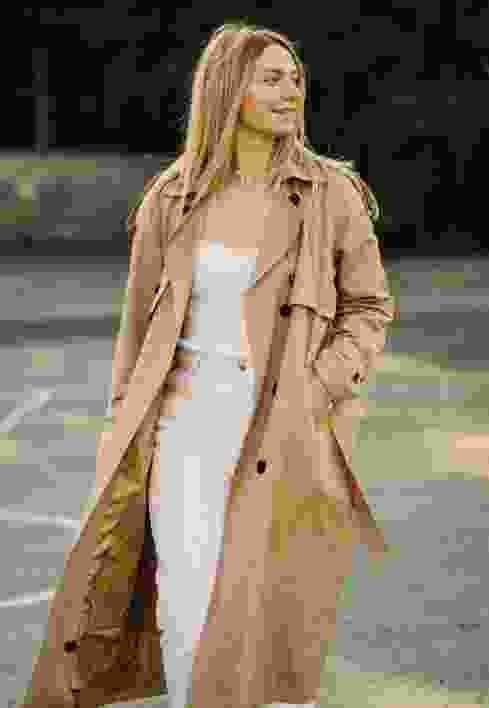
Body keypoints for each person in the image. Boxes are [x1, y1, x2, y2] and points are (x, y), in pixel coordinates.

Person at [18, 22, 395, 708]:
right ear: (228, 89)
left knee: (278, 624)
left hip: (286, 429)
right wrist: (121, 430)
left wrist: (318, 387)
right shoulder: (171, 198)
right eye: (271, 78)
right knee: (188, 607)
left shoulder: (331, 193)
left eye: (296, 78)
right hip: (184, 430)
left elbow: (369, 306)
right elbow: (138, 333)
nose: (291, 91)